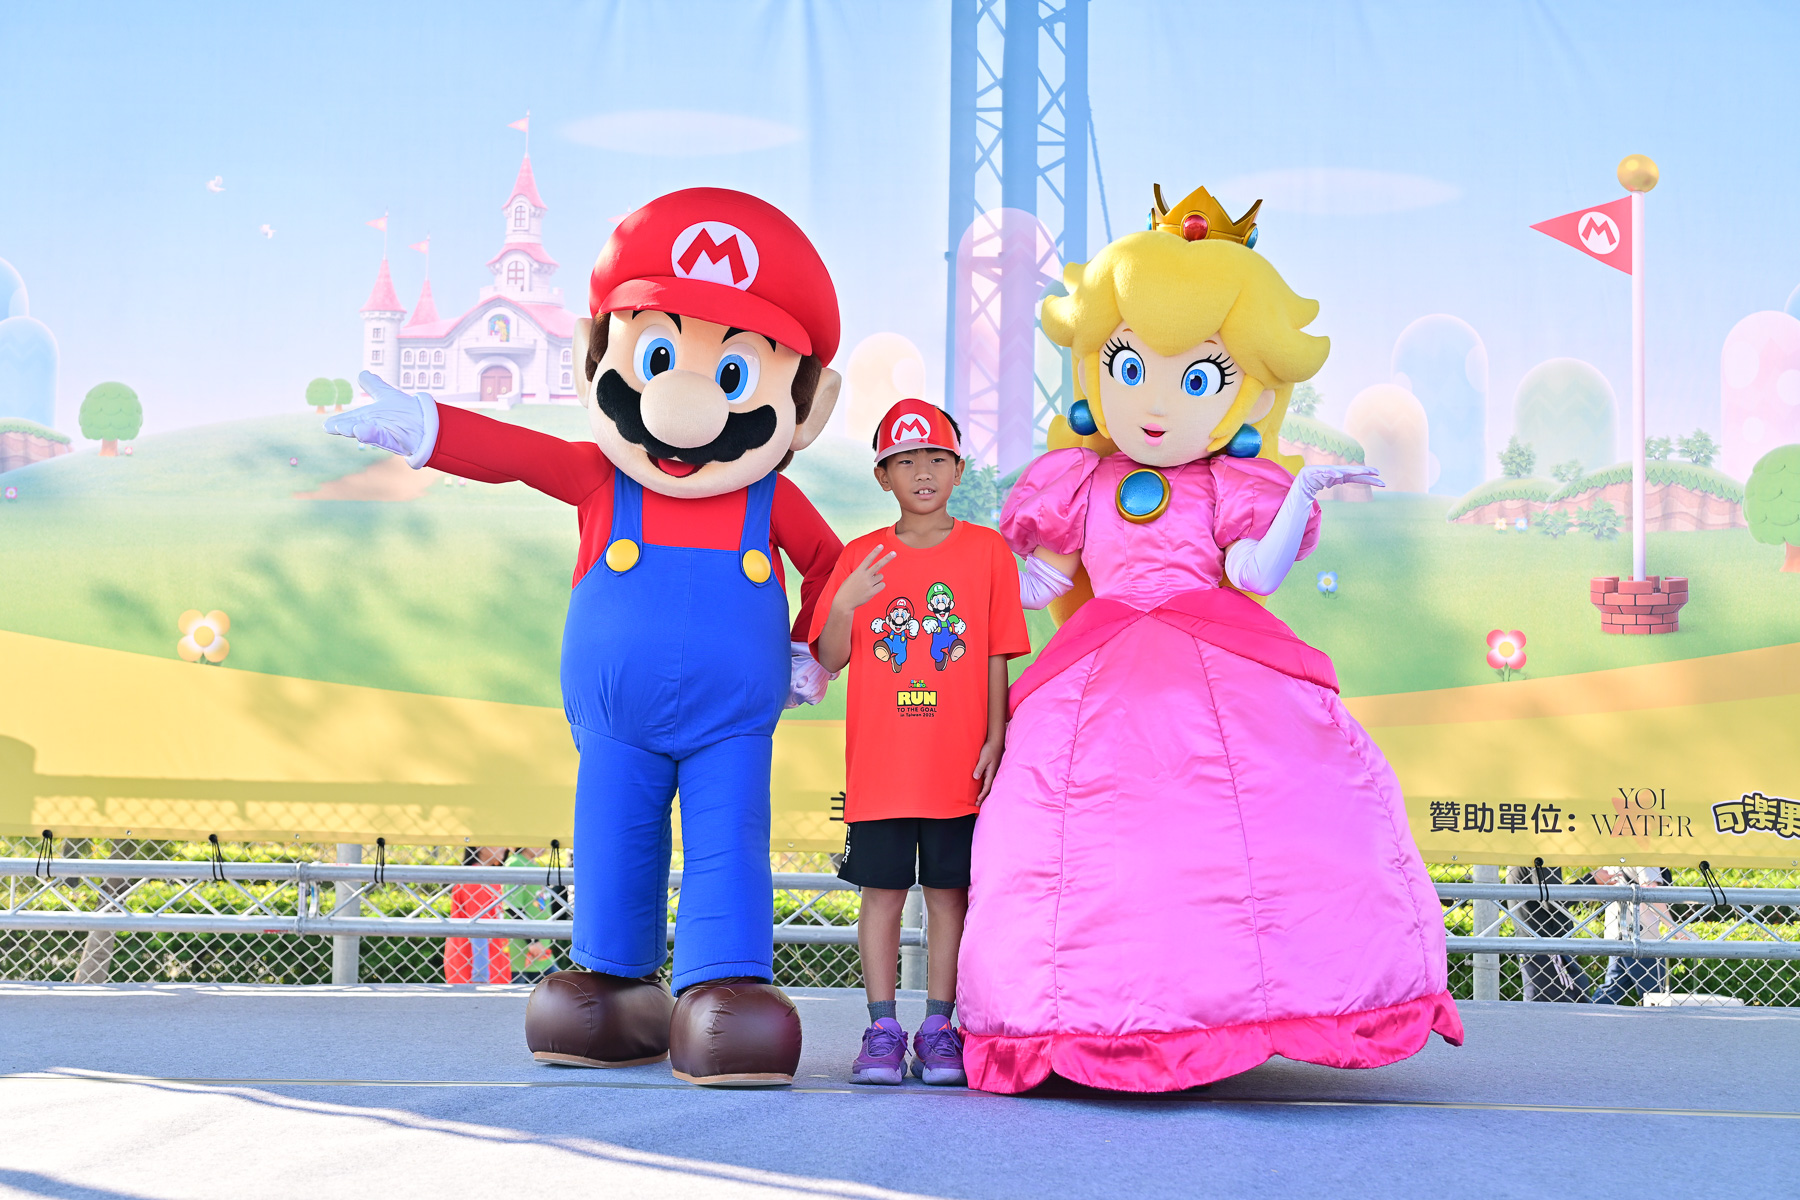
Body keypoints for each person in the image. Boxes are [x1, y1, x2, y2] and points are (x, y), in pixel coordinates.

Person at [327, 188, 844, 1087]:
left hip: (732, 722)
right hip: (616, 724)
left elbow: (831, 564)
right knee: (612, 834)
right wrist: (431, 429)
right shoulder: (603, 479)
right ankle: (613, 984)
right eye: (657, 358)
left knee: (729, 840)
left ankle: (725, 988)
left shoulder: (772, 498)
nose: (682, 405)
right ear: (594, 356)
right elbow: (516, 455)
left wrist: (808, 645)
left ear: (807, 404)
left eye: (732, 375)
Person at [955, 184, 1464, 1094]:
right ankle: (1077, 1018)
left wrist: (1301, 493)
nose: (1155, 402)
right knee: (1082, 836)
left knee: (1256, 820)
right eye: (1129, 366)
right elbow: (1042, 585)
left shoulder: (1226, 486)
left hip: (1216, 650)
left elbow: (1255, 574)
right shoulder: (1080, 482)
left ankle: (1242, 1007)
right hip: (1097, 664)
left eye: (1196, 379)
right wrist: (974, 565)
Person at [809, 399, 1030, 1086]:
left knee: (948, 894)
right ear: (883, 476)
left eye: (936, 458)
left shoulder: (987, 551)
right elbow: (830, 657)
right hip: (882, 766)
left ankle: (939, 1028)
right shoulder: (861, 556)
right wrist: (845, 603)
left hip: (958, 762)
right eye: (905, 461)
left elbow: (994, 652)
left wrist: (996, 735)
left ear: (958, 469)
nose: (923, 472)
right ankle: (882, 1028)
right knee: (880, 893)